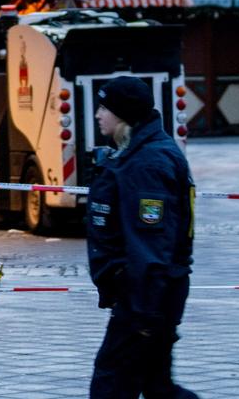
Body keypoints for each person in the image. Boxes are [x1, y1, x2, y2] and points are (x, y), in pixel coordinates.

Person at [85, 75, 198, 398]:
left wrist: (143, 313)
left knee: (111, 384)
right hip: (148, 297)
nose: (97, 115)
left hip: (145, 300)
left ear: (123, 113)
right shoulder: (137, 153)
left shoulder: (148, 162)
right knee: (156, 386)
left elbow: (152, 243)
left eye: (104, 107)